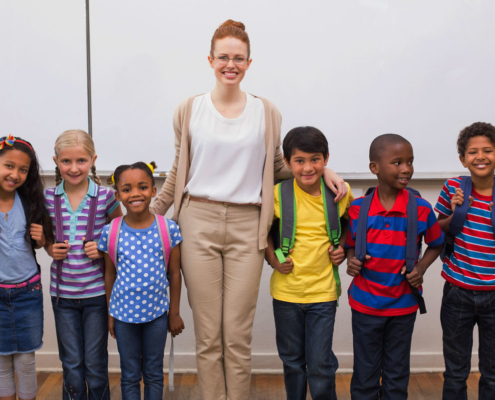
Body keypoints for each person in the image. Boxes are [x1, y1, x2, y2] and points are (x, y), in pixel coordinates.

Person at [150, 19, 347, 400]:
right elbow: (178, 171)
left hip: (248, 226)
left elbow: (278, 166)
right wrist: (149, 218)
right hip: (197, 221)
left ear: (249, 62)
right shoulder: (188, 110)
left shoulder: (266, 111)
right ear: (210, 60)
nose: (231, 64)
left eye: (238, 58)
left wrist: (325, 169)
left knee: (237, 333)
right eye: (223, 57)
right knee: (209, 334)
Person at [345, 134, 444, 399]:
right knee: (365, 371)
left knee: (397, 371)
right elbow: (350, 244)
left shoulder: (422, 209)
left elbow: (436, 243)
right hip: (365, 303)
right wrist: (351, 260)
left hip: (403, 305)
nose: (406, 169)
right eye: (397, 162)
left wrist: (421, 268)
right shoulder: (357, 209)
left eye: (410, 162)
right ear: (374, 168)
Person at [265, 127, 354, 400]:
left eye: (315, 159)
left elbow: (353, 226)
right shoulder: (278, 194)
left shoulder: (339, 192)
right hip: (286, 293)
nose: (307, 167)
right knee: (292, 361)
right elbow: (265, 235)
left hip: (323, 294)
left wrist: (342, 247)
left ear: (326, 158)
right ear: (288, 161)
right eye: (299, 160)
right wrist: (275, 259)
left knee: (320, 363)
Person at [44, 130, 122, 400]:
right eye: (66, 161)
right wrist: (49, 248)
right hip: (62, 296)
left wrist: (102, 250)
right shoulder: (48, 198)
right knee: (72, 366)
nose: (74, 168)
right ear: (56, 161)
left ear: (93, 160)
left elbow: (119, 235)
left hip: (97, 296)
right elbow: (46, 239)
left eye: (81, 161)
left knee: (96, 366)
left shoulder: (105, 197)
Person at [98, 162, 184, 399]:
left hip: (157, 316)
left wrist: (174, 313)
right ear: (118, 196)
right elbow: (110, 274)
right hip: (123, 317)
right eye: (126, 189)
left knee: (154, 373)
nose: (135, 194)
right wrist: (110, 314)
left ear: (153, 191)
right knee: (130, 375)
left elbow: (175, 274)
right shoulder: (111, 231)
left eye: (142, 187)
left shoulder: (168, 229)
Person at [434, 122, 495, 400]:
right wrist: (456, 211)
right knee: (456, 371)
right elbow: (438, 230)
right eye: (473, 152)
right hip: (459, 292)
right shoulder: (454, 187)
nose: (480, 157)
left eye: (487, 150)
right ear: (463, 159)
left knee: (492, 371)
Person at [0, 135, 51, 400]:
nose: (15, 174)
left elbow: (41, 243)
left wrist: (42, 240)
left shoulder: (29, 201)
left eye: (23, 170)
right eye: (9, 166)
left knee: (26, 362)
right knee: (2, 364)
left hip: (27, 293)